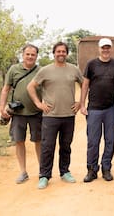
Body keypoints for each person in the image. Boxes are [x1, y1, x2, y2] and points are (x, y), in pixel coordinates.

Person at [26, 41, 83, 189]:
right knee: (47, 146)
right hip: (50, 116)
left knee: (66, 146)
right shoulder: (45, 71)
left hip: (69, 114)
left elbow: (85, 85)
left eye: (63, 51)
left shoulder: (74, 70)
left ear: (67, 53)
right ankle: (44, 176)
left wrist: (81, 102)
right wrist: (39, 104)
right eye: (58, 51)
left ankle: (65, 172)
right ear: (54, 53)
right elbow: (31, 86)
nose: (61, 54)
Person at [79, 37, 114, 182]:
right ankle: (92, 170)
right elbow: (85, 85)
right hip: (94, 109)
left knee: (110, 139)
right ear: (99, 49)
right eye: (103, 48)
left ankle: (106, 168)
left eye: (108, 47)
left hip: (111, 109)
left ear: (111, 49)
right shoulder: (91, 64)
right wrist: (82, 104)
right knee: (93, 141)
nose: (105, 50)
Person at [0, 43, 42, 184]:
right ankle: (23, 172)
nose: (30, 57)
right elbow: (6, 89)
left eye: (33, 54)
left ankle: (43, 171)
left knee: (39, 141)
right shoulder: (14, 69)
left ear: (36, 56)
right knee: (19, 141)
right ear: (23, 55)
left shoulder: (41, 71)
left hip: (37, 112)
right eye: (27, 54)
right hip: (18, 113)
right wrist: (2, 108)